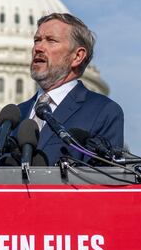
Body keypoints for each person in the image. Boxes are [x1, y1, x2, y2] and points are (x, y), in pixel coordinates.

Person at [17, 12, 124, 166]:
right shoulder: (15, 116)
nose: (38, 48)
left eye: (51, 40)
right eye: (37, 40)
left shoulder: (103, 112)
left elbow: (103, 181)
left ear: (77, 56)